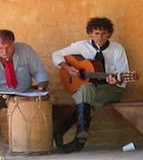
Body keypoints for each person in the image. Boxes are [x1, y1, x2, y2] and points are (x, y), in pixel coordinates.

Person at [52, 17, 131, 152]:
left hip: (111, 89)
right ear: (90, 33)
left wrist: (117, 79)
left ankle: (63, 133)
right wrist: (67, 68)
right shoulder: (81, 46)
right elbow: (56, 55)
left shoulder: (117, 49)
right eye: (96, 33)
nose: (99, 37)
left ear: (109, 34)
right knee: (85, 89)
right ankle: (78, 140)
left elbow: (124, 74)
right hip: (89, 88)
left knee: (85, 99)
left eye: (103, 33)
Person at [0, 29, 49, 94]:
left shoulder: (25, 50)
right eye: (0, 48)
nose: (5, 52)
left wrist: (41, 90)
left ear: (13, 42)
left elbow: (39, 72)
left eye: (8, 47)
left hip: (25, 94)